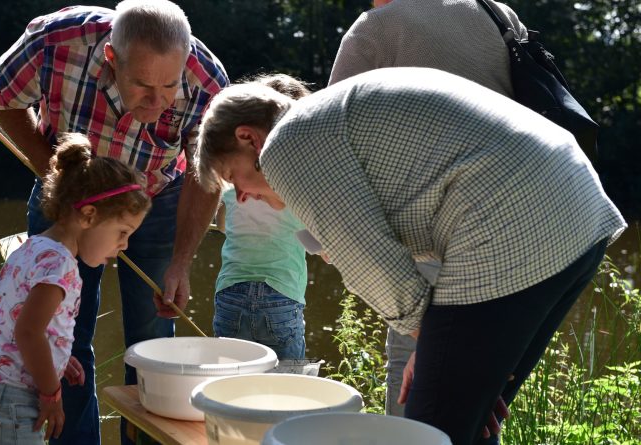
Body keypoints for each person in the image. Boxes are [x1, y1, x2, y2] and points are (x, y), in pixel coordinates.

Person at [193, 69, 626, 445]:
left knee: (429, 428)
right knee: (470, 422)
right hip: (574, 212)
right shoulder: (325, 120)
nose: (244, 195)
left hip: (512, 223)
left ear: (248, 136)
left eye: (235, 178)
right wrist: (440, 344)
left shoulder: (288, 143)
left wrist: (433, 343)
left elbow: (371, 263)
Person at [0, 1, 228, 443]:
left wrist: (181, 262)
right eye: (142, 85)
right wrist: (55, 175)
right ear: (112, 59)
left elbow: (203, 173)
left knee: (153, 338)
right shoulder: (54, 42)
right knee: (64, 336)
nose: (157, 101)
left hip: (157, 198)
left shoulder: (208, 81)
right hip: (70, 196)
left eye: (169, 86)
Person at [328, 0, 528, 420]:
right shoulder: (496, 12)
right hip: (515, 232)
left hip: (434, 233)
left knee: (414, 382)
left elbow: (326, 141)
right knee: (482, 387)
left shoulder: (376, 29)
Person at [0, 133, 150, 444]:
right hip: (13, 400)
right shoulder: (60, 264)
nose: (124, 245)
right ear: (89, 215)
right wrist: (51, 393)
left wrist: (58, 357)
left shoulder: (33, 246)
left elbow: (21, 322)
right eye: (122, 232)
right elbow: (28, 332)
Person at [213, 74, 311, 360]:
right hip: (282, 294)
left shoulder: (234, 179)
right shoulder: (298, 186)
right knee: (286, 385)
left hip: (231, 292)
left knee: (229, 384)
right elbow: (317, 240)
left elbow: (221, 224)